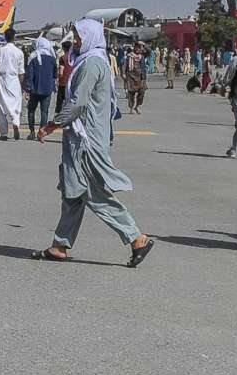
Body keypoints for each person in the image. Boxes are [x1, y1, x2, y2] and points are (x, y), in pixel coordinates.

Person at [33, 19, 152, 266]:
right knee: (73, 192)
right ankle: (60, 244)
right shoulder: (92, 61)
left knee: (92, 193)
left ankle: (136, 237)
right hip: (83, 137)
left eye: (78, 37)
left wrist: (53, 124)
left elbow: (78, 103)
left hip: (85, 141)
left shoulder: (91, 64)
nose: (75, 41)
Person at [0, 28, 23, 139]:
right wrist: (21, 86)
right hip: (14, 80)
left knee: (1, 106)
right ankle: (16, 122)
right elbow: (21, 72)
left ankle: (4, 133)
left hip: (2, 80)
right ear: (14, 37)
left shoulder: (0, 51)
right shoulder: (19, 52)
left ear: (5, 37)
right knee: (16, 104)